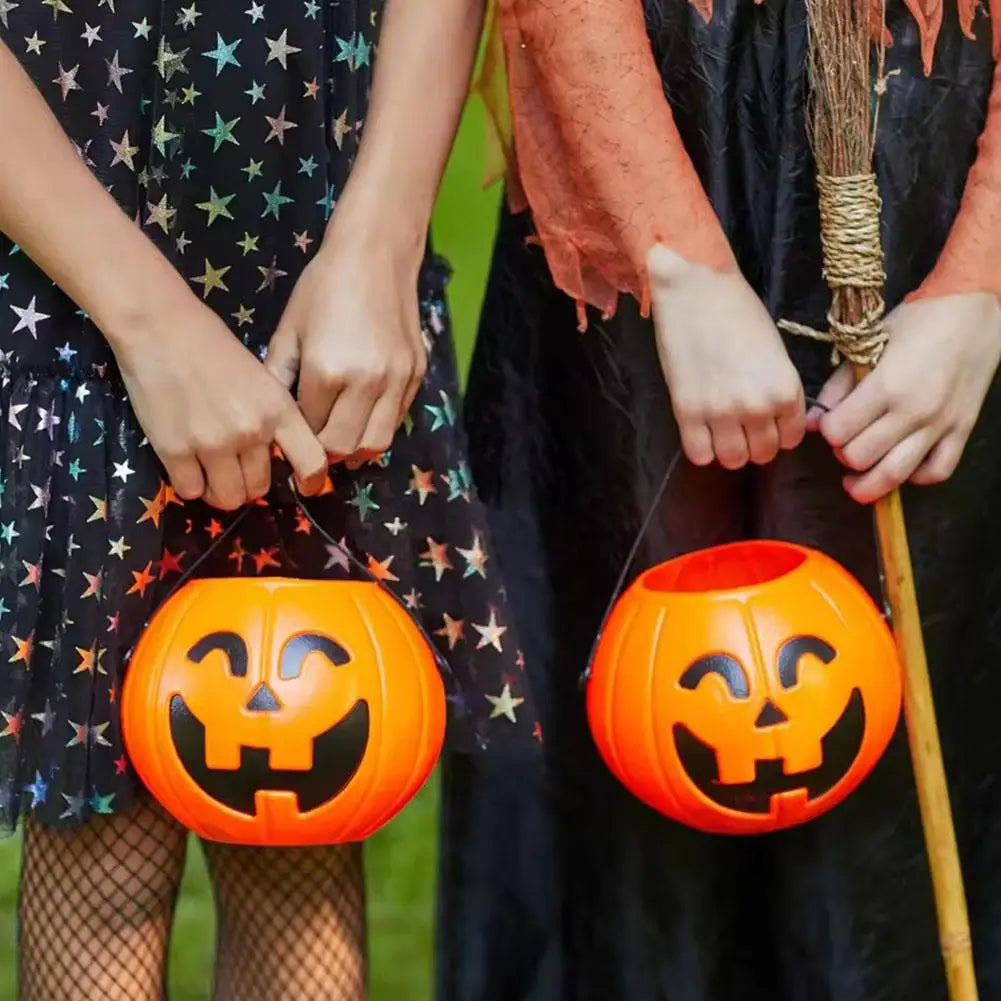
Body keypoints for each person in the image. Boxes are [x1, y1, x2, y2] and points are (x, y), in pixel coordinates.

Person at [436, 1, 1001, 1000]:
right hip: (650, 132)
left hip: (932, 137)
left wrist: (981, 280)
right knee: (642, 766)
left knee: (912, 777)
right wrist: (672, 257)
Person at [0, 0, 535, 998]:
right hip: (69, 221)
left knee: (300, 789)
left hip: (313, 233)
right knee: (100, 844)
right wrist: (148, 325)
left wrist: (380, 242)